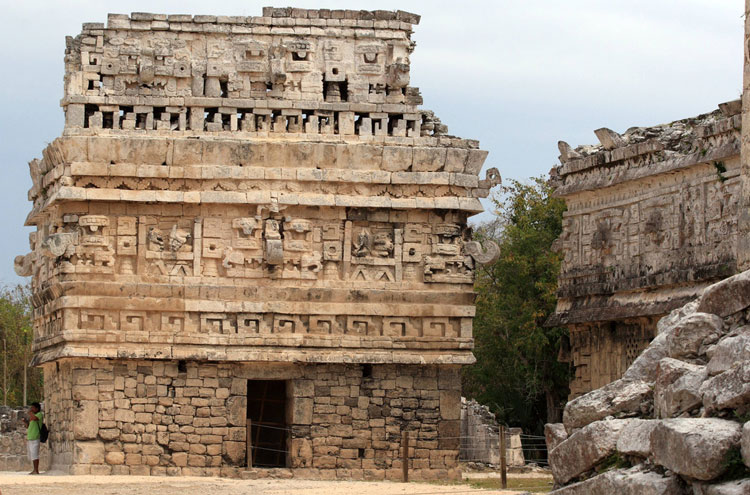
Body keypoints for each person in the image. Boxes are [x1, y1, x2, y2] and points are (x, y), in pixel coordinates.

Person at [22, 402, 43, 474]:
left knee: (35, 454)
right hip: (30, 437)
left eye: (33, 408)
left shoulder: (39, 414)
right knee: (32, 454)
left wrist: (30, 413)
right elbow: (28, 426)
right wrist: (25, 422)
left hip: (35, 437)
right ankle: (34, 469)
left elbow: (35, 418)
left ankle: (36, 470)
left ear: (37, 408)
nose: (32, 409)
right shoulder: (32, 416)